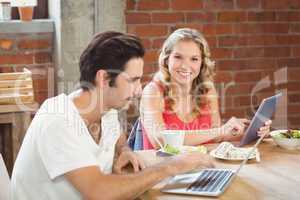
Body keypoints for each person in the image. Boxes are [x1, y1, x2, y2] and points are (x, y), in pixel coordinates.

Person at [11, 31, 214, 200]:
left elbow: (118, 138)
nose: (139, 90)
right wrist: (172, 166)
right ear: (104, 78)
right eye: (133, 80)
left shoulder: (105, 111)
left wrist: (123, 150)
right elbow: (98, 191)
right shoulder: (58, 120)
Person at [140, 28, 271, 149]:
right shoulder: (153, 91)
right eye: (178, 57)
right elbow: (160, 141)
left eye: (194, 59)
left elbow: (217, 138)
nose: (185, 66)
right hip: (161, 169)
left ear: (202, 63)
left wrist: (253, 133)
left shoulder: (207, 91)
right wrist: (220, 130)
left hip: (199, 167)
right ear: (166, 59)